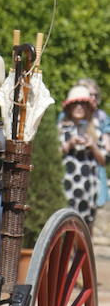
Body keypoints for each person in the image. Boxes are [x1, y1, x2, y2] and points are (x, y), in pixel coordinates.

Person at [57, 85, 109, 228]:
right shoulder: (61, 129)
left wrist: (93, 145)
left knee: (85, 230)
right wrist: (69, 144)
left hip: (88, 191)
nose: (79, 107)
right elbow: (52, 156)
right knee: (64, 227)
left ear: (89, 108)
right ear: (69, 107)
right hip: (66, 189)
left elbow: (104, 161)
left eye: (83, 104)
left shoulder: (95, 130)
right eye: (76, 103)